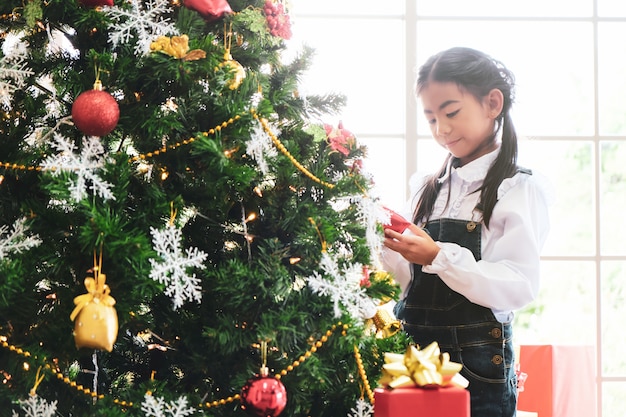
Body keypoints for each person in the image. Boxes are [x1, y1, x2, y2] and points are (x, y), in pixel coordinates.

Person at [382, 47, 551, 417]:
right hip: (412, 360)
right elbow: (408, 287)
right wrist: (389, 244)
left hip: (476, 373)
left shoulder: (517, 188)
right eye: (430, 119)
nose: (441, 129)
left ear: (492, 103)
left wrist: (438, 257)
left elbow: (518, 284)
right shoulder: (428, 188)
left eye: (451, 112)